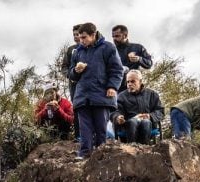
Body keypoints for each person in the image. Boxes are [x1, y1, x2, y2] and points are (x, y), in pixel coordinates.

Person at [68, 22, 123, 160]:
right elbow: (71, 74)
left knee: (100, 127)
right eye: (80, 38)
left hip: (101, 94)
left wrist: (112, 87)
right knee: (84, 127)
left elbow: (117, 70)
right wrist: (76, 70)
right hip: (82, 95)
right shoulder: (78, 51)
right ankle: (84, 153)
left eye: (84, 37)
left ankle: (101, 154)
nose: (81, 41)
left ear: (93, 35)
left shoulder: (108, 48)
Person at [111, 70, 164, 144]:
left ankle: (143, 149)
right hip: (128, 126)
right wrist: (118, 117)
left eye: (133, 81)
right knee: (133, 122)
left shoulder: (152, 94)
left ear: (140, 81)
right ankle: (132, 148)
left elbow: (160, 111)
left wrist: (150, 116)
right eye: (128, 82)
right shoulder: (121, 96)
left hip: (148, 125)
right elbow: (115, 111)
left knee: (146, 122)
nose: (129, 84)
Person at [111, 25, 153, 91]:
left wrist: (139, 59)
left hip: (134, 88)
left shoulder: (138, 47)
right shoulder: (111, 51)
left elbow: (149, 63)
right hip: (116, 88)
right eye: (113, 36)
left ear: (125, 35)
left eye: (117, 36)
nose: (114, 39)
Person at [62, 24, 83, 138]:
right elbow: (64, 67)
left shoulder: (92, 48)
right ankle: (78, 135)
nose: (76, 37)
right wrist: (70, 75)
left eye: (78, 34)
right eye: (74, 34)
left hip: (88, 83)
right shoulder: (71, 49)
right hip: (74, 84)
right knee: (77, 107)